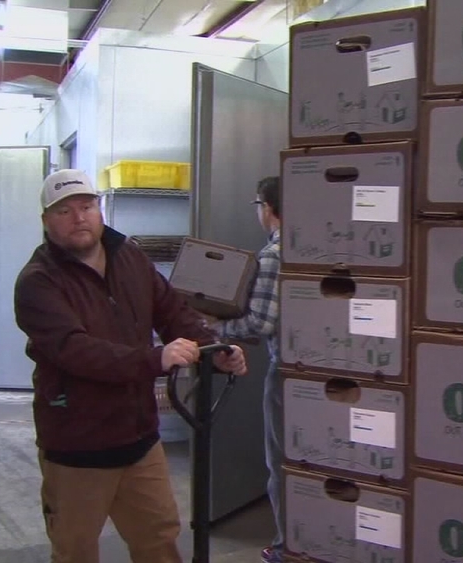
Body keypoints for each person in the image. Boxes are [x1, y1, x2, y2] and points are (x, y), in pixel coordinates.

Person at [13, 169, 248, 563]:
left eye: (86, 206)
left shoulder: (129, 256)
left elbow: (171, 310)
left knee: (159, 539)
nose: (79, 218)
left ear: (99, 209)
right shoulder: (37, 283)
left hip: (138, 438)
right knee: (75, 551)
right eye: (64, 211)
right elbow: (75, 350)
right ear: (46, 220)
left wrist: (214, 349)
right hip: (77, 445)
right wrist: (155, 358)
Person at [209, 176, 283, 563]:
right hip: (312, 372)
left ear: (267, 208)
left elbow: (260, 322)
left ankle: (286, 548)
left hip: (287, 373)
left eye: (258, 205)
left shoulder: (273, 255)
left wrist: (214, 327)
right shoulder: (311, 248)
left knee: (281, 463)